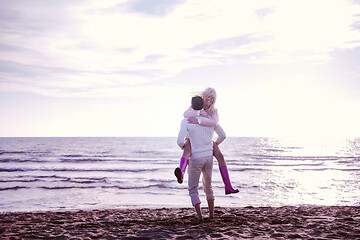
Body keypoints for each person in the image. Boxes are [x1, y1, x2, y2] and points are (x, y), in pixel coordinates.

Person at [174, 88, 239, 195]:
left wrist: (214, 144)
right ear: (203, 97)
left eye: (212, 98)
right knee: (186, 151)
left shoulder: (213, 112)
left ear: (214, 100)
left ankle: (228, 186)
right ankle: (181, 173)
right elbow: (185, 114)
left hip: (207, 140)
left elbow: (214, 122)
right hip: (192, 137)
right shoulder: (195, 107)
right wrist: (199, 113)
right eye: (207, 97)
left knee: (221, 156)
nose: (209, 100)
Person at [177, 96, 226, 222]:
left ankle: (200, 217)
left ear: (192, 106)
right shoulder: (210, 119)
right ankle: (211, 215)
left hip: (195, 158)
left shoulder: (187, 121)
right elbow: (223, 135)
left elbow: (179, 141)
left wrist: (185, 147)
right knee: (208, 186)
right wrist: (214, 144)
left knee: (193, 188)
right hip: (208, 157)